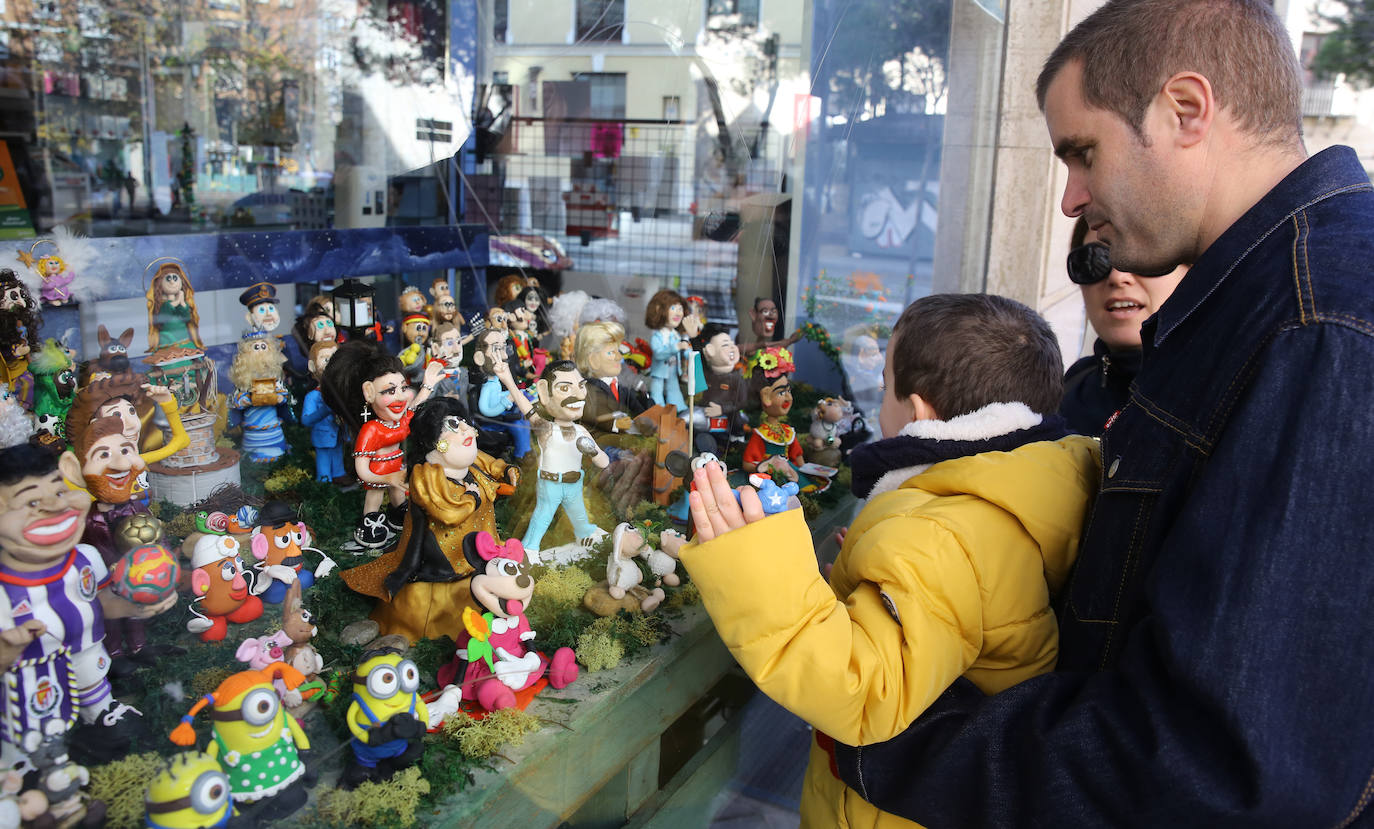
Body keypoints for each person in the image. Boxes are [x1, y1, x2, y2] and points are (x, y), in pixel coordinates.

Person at [815, 2, 1374, 825]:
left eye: (1083, 153)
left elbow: (1217, 768)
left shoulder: (1316, 329)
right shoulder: (1258, 305)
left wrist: (891, 740)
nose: (1072, 198)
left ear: (1186, 110)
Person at [678, 294, 1098, 828]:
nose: (879, 402)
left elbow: (862, 689)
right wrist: (870, 595)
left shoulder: (937, 533)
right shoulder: (1025, 483)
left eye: (884, 386)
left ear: (918, 409)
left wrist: (755, 566)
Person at [1060, 216, 1185, 435]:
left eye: (1144, 255)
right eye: (1094, 260)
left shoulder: (1229, 396)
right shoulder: (1069, 391)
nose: (1118, 277)